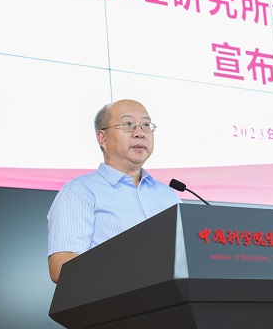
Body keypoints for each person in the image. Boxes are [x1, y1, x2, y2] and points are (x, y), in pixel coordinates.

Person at [47, 99, 182, 283]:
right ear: (102, 138)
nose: (140, 133)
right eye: (128, 124)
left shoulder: (169, 195)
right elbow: (61, 268)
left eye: (146, 125)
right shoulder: (80, 192)